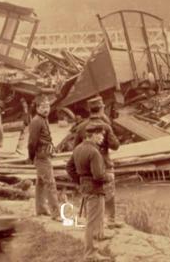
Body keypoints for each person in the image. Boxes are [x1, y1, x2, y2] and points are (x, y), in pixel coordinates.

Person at [67, 122, 111, 262]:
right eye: (100, 135)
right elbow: (98, 175)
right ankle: (90, 254)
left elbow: (69, 167)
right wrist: (109, 177)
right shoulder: (94, 152)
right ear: (93, 135)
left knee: (96, 215)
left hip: (85, 187)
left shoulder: (78, 148)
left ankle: (99, 235)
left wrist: (79, 180)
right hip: (95, 188)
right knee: (92, 221)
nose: (102, 138)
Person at [74, 96, 121, 229]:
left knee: (91, 195)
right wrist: (109, 130)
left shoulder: (81, 126)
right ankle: (110, 221)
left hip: (87, 166)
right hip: (104, 164)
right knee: (109, 192)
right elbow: (115, 145)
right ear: (101, 109)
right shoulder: (105, 126)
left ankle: (92, 222)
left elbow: (76, 148)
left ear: (89, 110)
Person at [28, 100, 61, 221]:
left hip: (44, 155)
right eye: (43, 106)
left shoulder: (43, 119)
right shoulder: (36, 121)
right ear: (37, 108)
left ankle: (40, 208)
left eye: (48, 106)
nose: (46, 109)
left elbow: (46, 138)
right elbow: (32, 142)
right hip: (41, 157)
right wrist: (31, 157)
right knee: (50, 184)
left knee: (41, 183)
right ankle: (56, 213)